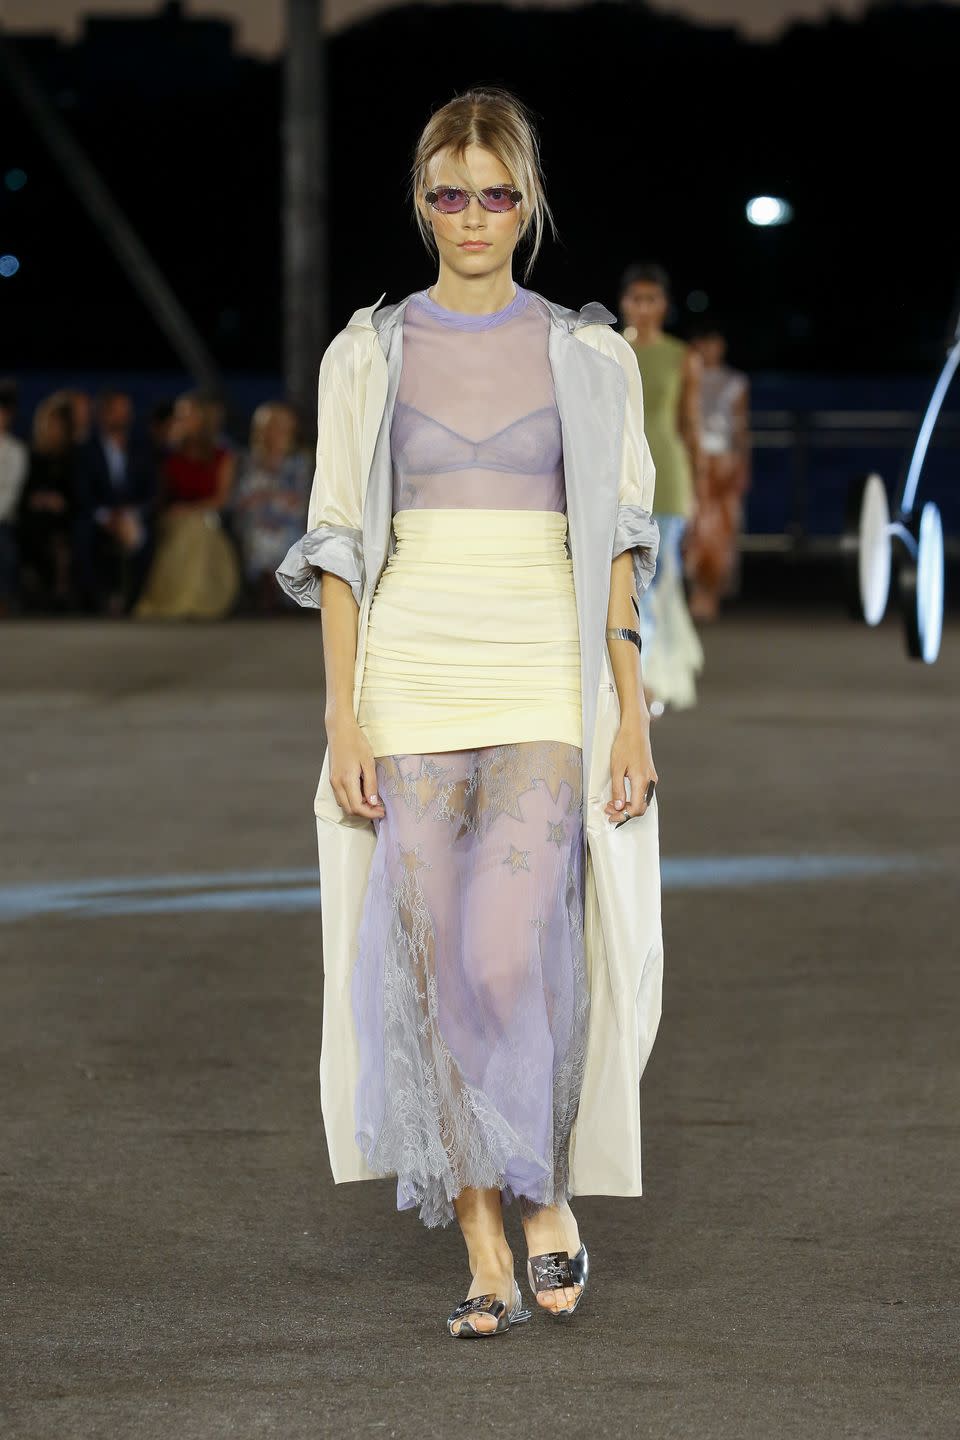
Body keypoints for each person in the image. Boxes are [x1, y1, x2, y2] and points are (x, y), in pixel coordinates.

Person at [277, 87, 665, 1339]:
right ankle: (486, 1241)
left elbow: (621, 544)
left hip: (543, 655)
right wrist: (341, 716)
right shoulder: (370, 351)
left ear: (529, 200)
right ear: (421, 201)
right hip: (413, 662)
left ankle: (543, 1188)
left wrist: (630, 710)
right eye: (449, 192)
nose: (473, 215)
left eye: (497, 192)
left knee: (509, 944)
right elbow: (338, 540)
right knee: (439, 964)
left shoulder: (588, 354)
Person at [620, 264, 704, 710]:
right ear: (624, 303)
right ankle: (632, 679)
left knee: (656, 581)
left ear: (664, 306)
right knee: (622, 581)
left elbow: (689, 423)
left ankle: (646, 681)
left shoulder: (681, 355)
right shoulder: (610, 349)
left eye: (652, 299)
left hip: (667, 477)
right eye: (637, 299)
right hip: (622, 475)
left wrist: (700, 486)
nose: (644, 308)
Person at [134, 391, 240, 620]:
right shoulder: (168, 455)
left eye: (187, 415)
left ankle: (194, 598)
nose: (181, 420)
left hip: (207, 518)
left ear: (201, 419)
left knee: (196, 529)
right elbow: (159, 497)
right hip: (173, 518)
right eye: (179, 415)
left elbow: (222, 498)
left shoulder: (222, 455)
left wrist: (192, 510)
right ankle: (171, 598)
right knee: (186, 529)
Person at [73, 389, 158, 615]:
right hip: (98, 516)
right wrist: (106, 517)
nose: (123, 417)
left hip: (133, 515)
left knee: (148, 536)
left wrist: (132, 514)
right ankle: (96, 603)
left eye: (125, 411)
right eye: (116, 411)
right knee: (83, 534)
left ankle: (133, 602)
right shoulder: (85, 450)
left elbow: (151, 492)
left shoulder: (141, 449)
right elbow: (82, 493)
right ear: (103, 414)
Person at [685, 326, 751, 619]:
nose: (709, 349)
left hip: (722, 461)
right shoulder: (687, 377)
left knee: (720, 530)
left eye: (714, 343)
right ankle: (696, 590)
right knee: (695, 528)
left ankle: (712, 591)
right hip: (693, 460)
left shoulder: (734, 381)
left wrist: (743, 464)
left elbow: (741, 426)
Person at [232, 402, 309, 612]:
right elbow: (241, 499)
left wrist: (268, 497)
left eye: (281, 426)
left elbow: (300, 500)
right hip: (255, 523)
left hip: (290, 523)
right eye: (270, 426)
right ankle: (266, 587)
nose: (275, 432)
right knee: (259, 536)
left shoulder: (301, 463)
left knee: (287, 536)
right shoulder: (246, 461)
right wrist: (272, 498)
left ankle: (280, 589)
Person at [17, 392, 77, 612]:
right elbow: (23, 493)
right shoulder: (32, 454)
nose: (53, 428)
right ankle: (44, 589)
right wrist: (40, 499)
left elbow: (76, 494)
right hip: (34, 517)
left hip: (65, 515)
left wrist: (60, 502)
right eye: (49, 422)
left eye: (58, 423)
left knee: (60, 533)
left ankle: (60, 590)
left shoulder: (73, 456)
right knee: (38, 526)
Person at [0, 380, 29, 615]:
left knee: (5, 547)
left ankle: (4, 600)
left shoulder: (17, 451)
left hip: (3, 520)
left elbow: (10, 493)